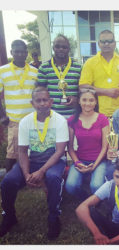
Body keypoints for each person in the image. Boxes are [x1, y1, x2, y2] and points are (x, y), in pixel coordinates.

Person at [0, 86, 69, 240]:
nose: (42, 103)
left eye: (45, 100)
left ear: (51, 102)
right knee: (7, 182)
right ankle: (9, 216)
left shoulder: (60, 120)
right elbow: (22, 151)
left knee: (53, 178)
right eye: (38, 101)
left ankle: (53, 218)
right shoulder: (25, 122)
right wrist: (26, 174)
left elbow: (59, 152)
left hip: (53, 161)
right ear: (32, 103)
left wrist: (41, 171)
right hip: (32, 161)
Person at [65, 87, 109, 201]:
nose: (87, 103)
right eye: (84, 100)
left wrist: (94, 166)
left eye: (91, 100)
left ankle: (96, 203)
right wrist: (78, 163)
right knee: (70, 186)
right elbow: (69, 147)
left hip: (99, 160)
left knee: (96, 186)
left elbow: (105, 146)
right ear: (79, 101)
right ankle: (85, 199)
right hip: (80, 160)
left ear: (96, 102)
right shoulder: (72, 120)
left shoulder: (102, 119)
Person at [0, 40, 38, 172]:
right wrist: (2, 115)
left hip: (33, 119)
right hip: (14, 120)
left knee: (33, 149)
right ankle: (8, 181)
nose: (20, 54)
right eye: (17, 51)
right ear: (12, 52)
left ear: (26, 53)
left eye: (23, 51)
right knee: (12, 152)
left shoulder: (34, 71)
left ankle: (29, 176)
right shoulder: (2, 71)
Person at [79, 29, 119, 117]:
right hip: (97, 114)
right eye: (103, 41)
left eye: (110, 41)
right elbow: (83, 87)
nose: (106, 44)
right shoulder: (90, 63)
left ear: (115, 43)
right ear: (98, 44)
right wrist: (106, 91)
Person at [37, 35, 82, 118]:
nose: (61, 49)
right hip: (52, 116)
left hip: (74, 117)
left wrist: (78, 100)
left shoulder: (79, 67)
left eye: (64, 47)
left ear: (69, 49)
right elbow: (40, 93)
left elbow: (82, 90)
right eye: (57, 46)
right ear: (53, 48)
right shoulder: (44, 67)